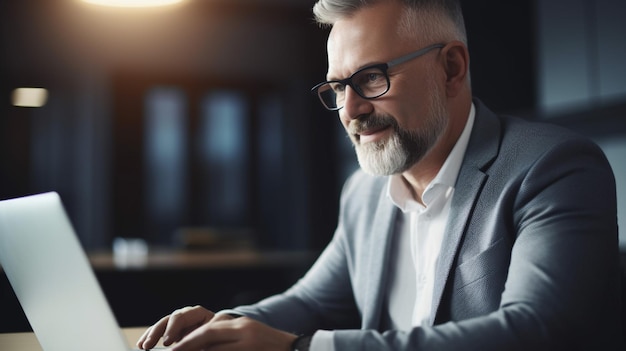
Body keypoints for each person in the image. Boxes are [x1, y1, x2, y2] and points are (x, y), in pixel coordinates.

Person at [137, 0, 624, 350]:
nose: (350, 110)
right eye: (336, 86)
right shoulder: (363, 192)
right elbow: (310, 300)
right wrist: (224, 327)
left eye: (371, 78)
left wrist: (301, 349)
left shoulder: (554, 166)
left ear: (451, 68)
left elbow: (536, 332)